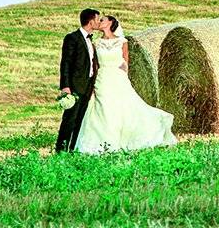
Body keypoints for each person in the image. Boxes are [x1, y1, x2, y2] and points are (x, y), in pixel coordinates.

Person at [74, 15, 178, 154]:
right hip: (102, 79)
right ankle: (103, 143)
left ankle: (121, 140)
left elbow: (125, 64)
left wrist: (124, 81)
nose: (99, 21)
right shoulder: (96, 43)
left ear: (110, 23)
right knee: (103, 109)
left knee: (120, 109)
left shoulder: (122, 42)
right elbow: (96, 66)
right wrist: (93, 86)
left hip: (117, 78)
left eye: (102, 20)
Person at [55, 8, 101, 153]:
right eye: (97, 19)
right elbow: (66, 63)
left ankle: (72, 149)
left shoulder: (90, 39)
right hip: (75, 86)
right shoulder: (72, 38)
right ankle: (61, 151)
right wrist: (66, 86)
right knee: (70, 120)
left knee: (80, 121)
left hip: (87, 86)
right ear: (90, 21)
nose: (99, 22)